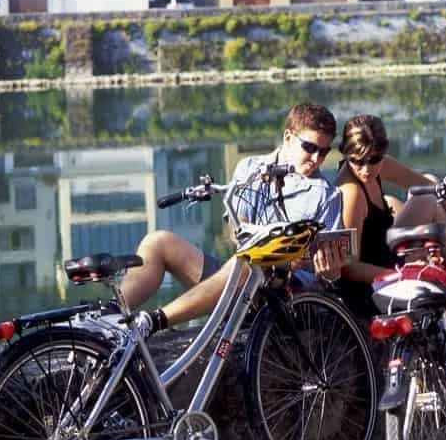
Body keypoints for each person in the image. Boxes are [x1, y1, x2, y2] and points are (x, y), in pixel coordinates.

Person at [120, 102, 347, 336]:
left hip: (288, 297)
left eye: (324, 151)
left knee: (250, 263)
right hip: (241, 277)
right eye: (310, 147)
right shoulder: (249, 168)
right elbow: (234, 234)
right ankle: (112, 320)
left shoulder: (326, 194)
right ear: (288, 137)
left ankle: (153, 321)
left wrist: (329, 270)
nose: (316, 158)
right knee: (158, 242)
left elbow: (328, 277)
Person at [333, 113, 446, 316]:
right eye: (357, 161)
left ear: (382, 152)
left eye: (374, 160)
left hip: (387, 251)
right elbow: (350, 268)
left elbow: (433, 187)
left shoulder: (380, 167)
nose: (366, 169)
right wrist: (402, 275)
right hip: (375, 283)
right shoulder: (352, 192)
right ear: (345, 153)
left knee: (428, 186)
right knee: (426, 199)